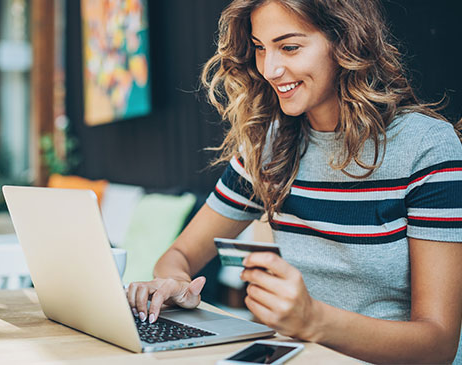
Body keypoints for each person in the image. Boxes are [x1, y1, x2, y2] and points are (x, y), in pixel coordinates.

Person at [126, 0, 462, 363]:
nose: (270, 69)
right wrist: (176, 282)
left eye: (289, 47)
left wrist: (314, 320)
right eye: (259, 48)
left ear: (344, 42)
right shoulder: (268, 147)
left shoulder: (426, 146)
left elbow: (439, 345)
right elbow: (179, 255)